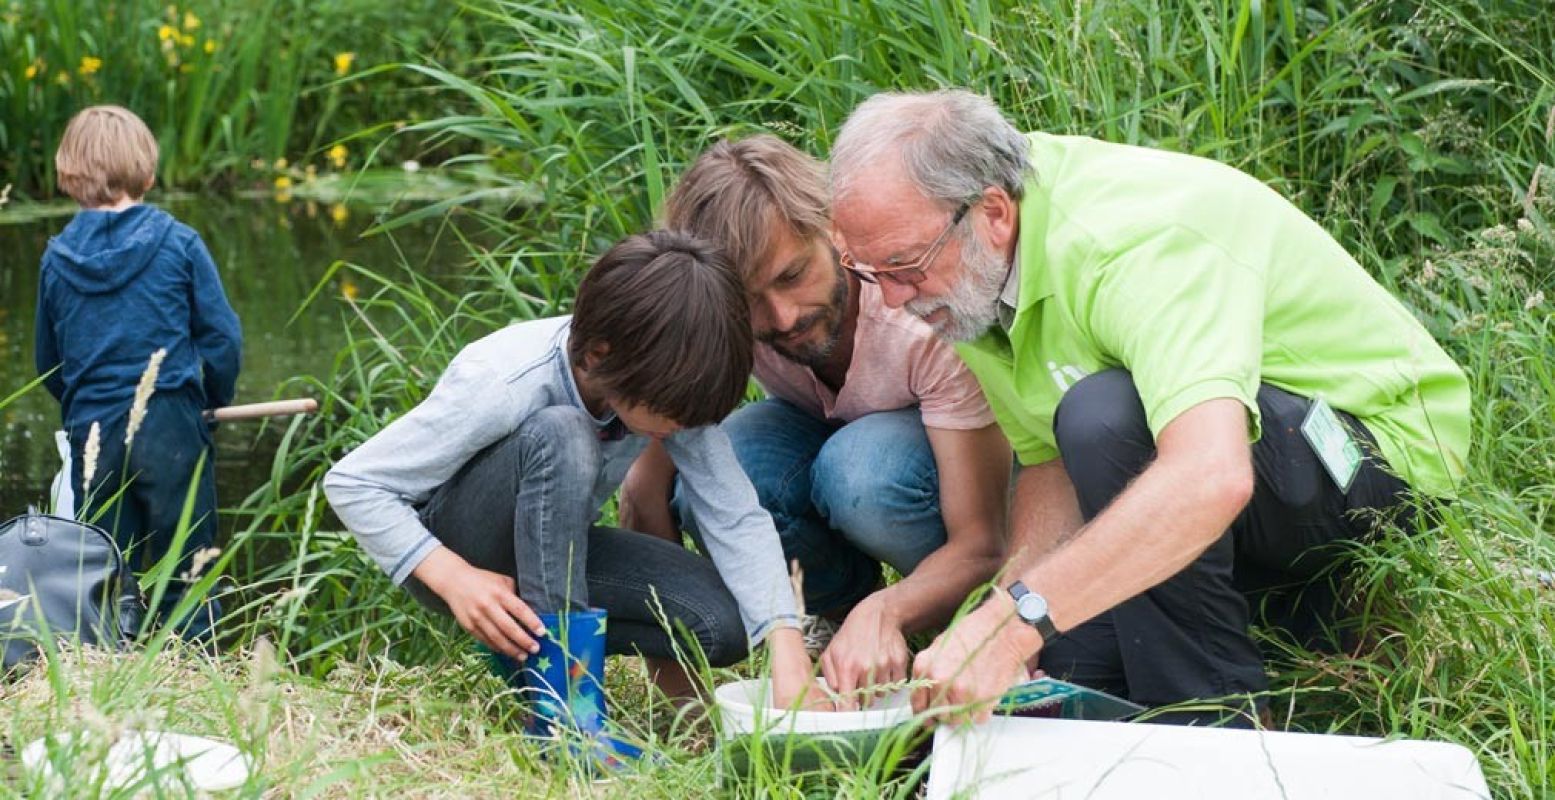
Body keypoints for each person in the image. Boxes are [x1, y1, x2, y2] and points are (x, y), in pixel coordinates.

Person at [826, 89, 1471, 725]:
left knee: (1103, 415)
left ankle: (1214, 723)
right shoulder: (971, 276)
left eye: (904, 266)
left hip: (1377, 455)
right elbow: (1050, 467)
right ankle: (1256, 644)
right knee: (1061, 676)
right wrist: (1006, 615)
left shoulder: (1127, 241)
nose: (890, 299)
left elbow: (1208, 475)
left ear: (992, 212)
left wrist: (1009, 625)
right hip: (1243, 466)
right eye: (867, 271)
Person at [323, 230, 827, 750]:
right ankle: (566, 717)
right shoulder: (503, 382)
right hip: (461, 550)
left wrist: (786, 645)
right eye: (673, 415)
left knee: (726, 624)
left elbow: (735, 516)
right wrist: (455, 579)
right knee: (564, 433)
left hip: (551, 551)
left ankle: (530, 650)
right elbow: (355, 483)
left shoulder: (669, 385)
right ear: (599, 355)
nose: (681, 428)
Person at [620, 136, 1011, 707]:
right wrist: (680, 695)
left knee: (860, 471)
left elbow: (986, 542)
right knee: (732, 468)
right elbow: (645, 491)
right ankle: (839, 623)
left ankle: (944, 626)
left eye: (791, 275)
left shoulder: (919, 317)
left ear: (832, 229)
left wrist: (891, 609)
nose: (781, 317)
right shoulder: (725, 321)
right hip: (824, 435)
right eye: (749, 299)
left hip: (937, 478)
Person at [35, 105, 243, 641]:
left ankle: (111, 674)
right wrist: (210, 403)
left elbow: (48, 363)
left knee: (107, 567)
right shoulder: (179, 243)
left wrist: (81, 407)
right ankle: (197, 669)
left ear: (68, 174)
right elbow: (222, 339)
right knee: (187, 564)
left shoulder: (56, 259)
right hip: (171, 420)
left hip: (94, 431)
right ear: (147, 172)